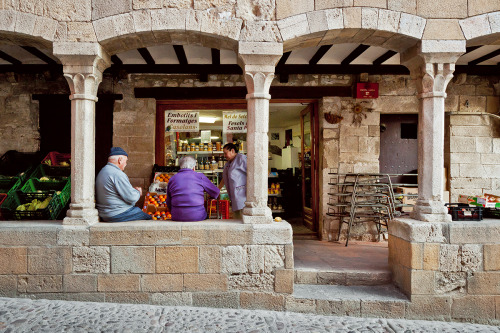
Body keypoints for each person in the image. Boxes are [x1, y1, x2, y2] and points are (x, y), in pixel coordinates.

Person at [95, 147, 152, 222]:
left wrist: (132, 191)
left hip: (105, 213)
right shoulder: (117, 173)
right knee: (148, 217)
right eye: (126, 161)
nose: (126, 164)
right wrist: (138, 192)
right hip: (116, 214)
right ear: (120, 160)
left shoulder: (103, 170)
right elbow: (131, 198)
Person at [167, 156, 220, 221]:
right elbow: (216, 192)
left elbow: (168, 202)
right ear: (194, 168)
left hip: (177, 216)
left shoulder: (172, 179)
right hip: (197, 215)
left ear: (180, 166)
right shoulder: (200, 176)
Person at [218, 142, 247, 219]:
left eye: (225, 153)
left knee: (242, 219)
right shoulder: (228, 163)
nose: (224, 156)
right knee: (237, 219)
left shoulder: (242, 159)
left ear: (232, 151)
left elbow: (253, 173)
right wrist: (218, 189)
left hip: (243, 195)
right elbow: (225, 178)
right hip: (235, 196)